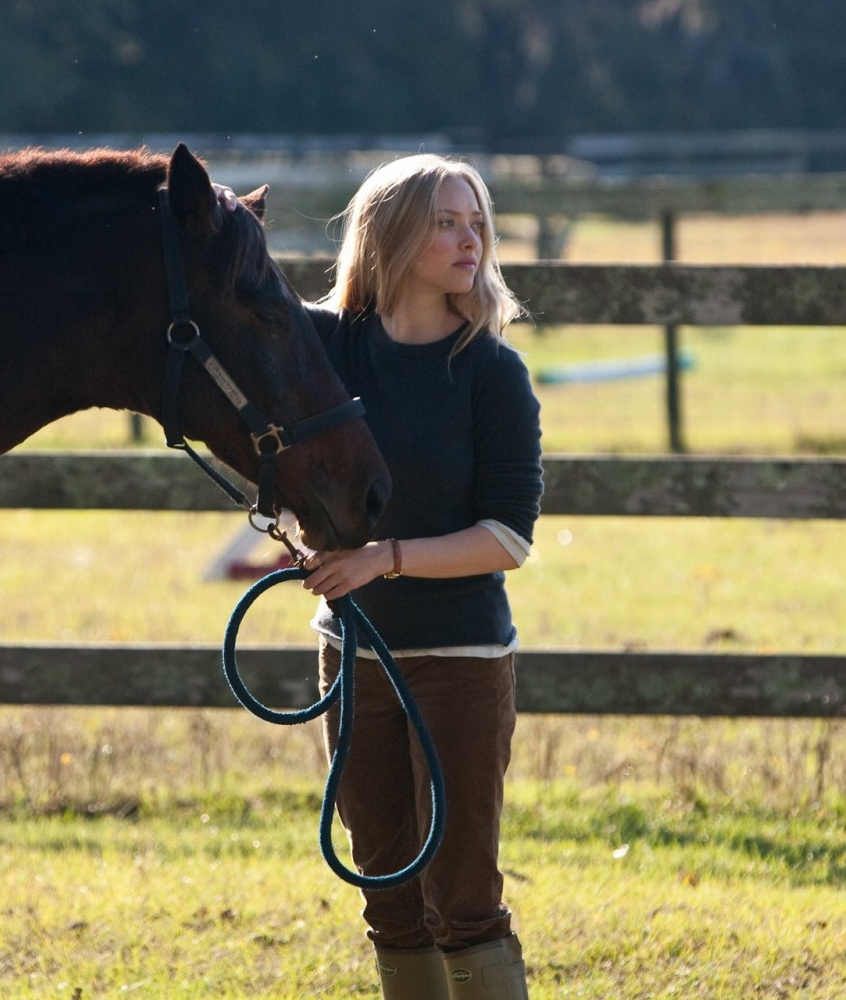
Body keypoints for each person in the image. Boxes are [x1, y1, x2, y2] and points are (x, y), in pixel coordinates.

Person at [300, 154, 544, 1000]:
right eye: (446, 220)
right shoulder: (326, 349)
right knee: (387, 890)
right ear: (393, 233)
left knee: (463, 900)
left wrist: (384, 559)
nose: (469, 237)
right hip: (353, 657)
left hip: (460, 661)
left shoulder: (491, 374)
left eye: (475, 220)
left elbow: (508, 538)